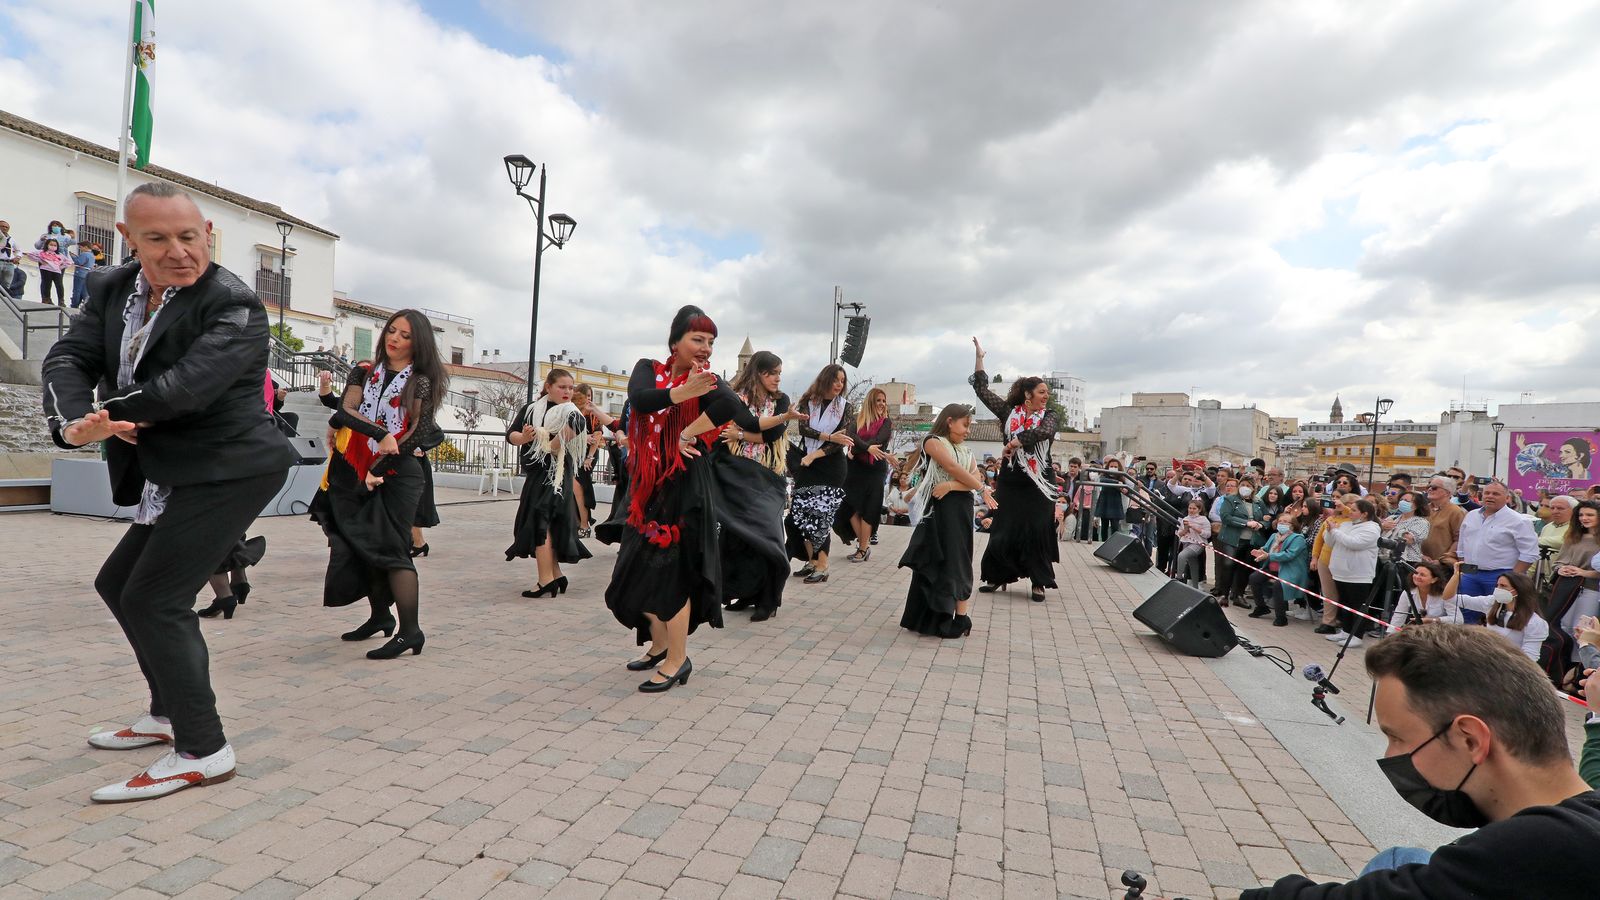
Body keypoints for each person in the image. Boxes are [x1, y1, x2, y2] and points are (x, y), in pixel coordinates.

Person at [40, 182, 294, 803]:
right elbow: (67, 359)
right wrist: (74, 422)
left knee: (156, 598)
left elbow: (185, 388)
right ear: (128, 238)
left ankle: (204, 750)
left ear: (206, 232)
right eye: (157, 238)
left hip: (230, 467)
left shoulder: (234, 303)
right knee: (117, 585)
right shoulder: (109, 287)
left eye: (189, 236)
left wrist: (108, 416)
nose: (179, 251)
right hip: (172, 467)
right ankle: (166, 713)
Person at [1244, 624, 1600, 899]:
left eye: (1397, 737)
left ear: (1470, 739)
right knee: (1401, 858)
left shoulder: (1535, 848)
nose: (1390, 756)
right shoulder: (1578, 821)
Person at [598, 305, 764, 692]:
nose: (706, 348)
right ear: (675, 341)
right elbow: (640, 400)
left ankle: (678, 659)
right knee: (633, 570)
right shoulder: (648, 368)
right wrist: (680, 393)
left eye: (711, 342)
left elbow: (734, 408)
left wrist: (688, 432)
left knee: (671, 571)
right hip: (647, 486)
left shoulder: (708, 381)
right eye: (697, 339)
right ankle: (659, 645)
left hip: (684, 486)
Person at [312, 308, 447, 661]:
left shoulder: (420, 381)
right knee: (357, 543)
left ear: (417, 343)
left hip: (399, 473)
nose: (395, 338)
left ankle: (410, 631)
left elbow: (418, 431)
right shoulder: (363, 371)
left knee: (392, 550)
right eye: (392, 331)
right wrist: (378, 435)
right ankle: (380, 616)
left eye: (405, 335)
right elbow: (346, 411)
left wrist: (380, 465)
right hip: (356, 468)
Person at [718, 349, 807, 621]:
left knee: (767, 536)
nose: (777, 378)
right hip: (738, 475)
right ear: (757, 373)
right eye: (772, 373)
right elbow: (747, 422)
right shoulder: (738, 397)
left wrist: (741, 434)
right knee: (738, 538)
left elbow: (772, 434)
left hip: (768, 476)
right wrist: (746, 431)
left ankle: (768, 600)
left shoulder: (783, 401)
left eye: (779, 373)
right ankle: (745, 593)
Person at [969, 339, 1060, 602]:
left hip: (1039, 481)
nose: (1046, 396)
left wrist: (1014, 442)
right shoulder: (1009, 413)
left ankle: (1038, 581)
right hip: (1012, 480)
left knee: (1037, 529)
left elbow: (1044, 432)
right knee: (1004, 527)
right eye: (1042, 392)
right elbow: (982, 390)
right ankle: (998, 575)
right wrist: (980, 358)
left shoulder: (1049, 416)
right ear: (1028, 394)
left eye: (1047, 392)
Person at [899, 403, 995, 638]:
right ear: (950, 421)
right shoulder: (933, 441)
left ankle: (961, 617)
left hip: (958, 509)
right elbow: (952, 467)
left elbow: (973, 477)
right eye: (965, 425)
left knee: (958, 559)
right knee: (932, 558)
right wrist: (980, 488)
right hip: (938, 510)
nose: (968, 431)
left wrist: (951, 485)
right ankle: (925, 617)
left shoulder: (967, 451)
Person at [504, 368, 591, 597]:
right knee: (546, 524)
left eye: (570, 387)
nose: (567, 391)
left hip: (555, 475)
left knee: (540, 522)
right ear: (548, 387)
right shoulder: (532, 409)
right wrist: (524, 437)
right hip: (537, 473)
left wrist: (545, 441)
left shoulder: (572, 413)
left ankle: (545, 580)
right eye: (562, 387)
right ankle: (555, 575)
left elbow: (563, 439)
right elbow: (511, 435)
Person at [787, 364, 853, 584]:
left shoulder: (845, 407)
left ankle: (822, 565)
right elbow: (803, 429)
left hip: (830, 465)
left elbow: (841, 441)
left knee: (820, 514)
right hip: (808, 463)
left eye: (842, 381)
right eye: (835, 380)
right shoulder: (809, 401)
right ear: (825, 379)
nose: (839, 384)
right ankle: (812, 560)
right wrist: (829, 436)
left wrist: (816, 454)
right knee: (802, 512)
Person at [1456, 480, 1539, 623]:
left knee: (1500, 617)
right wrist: (1463, 569)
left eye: (1496, 494)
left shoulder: (1519, 520)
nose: (1490, 496)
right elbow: (1462, 544)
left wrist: (1512, 578)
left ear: (1507, 498)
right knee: (1465, 614)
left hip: (1501, 575)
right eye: (1487, 493)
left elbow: (1529, 553)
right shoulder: (1471, 515)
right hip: (1470, 574)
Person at [836, 386, 895, 562]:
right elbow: (851, 436)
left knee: (869, 508)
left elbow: (879, 441)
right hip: (854, 468)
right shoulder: (857, 419)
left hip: (875, 469)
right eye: (878, 400)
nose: (882, 404)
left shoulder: (886, 423)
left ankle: (862, 548)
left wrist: (858, 448)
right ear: (870, 402)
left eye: (884, 401)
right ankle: (864, 546)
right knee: (848, 505)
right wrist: (867, 448)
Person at [1439, 567, 1548, 661]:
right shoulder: (1491, 602)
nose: (1498, 589)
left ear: (1518, 590)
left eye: (1503, 586)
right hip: (1486, 658)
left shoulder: (1535, 622)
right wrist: (1456, 575)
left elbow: (1530, 658)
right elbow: (1449, 598)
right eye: (1497, 585)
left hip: (1510, 665)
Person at [1322, 497, 1382, 647]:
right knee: (1344, 603)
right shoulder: (1346, 524)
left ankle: (1357, 635)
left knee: (1357, 606)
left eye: (1354, 510)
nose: (1350, 512)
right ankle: (1346, 631)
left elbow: (1354, 543)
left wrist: (1335, 531)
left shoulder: (1372, 528)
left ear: (1364, 514)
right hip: (1340, 572)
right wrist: (1329, 531)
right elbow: (1330, 542)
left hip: (1358, 574)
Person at [1250, 513, 1308, 626]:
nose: (1281, 523)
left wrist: (1268, 555)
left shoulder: (1298, 538)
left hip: (1290, 571)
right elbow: (1266, 548)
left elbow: (1289, 555)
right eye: (1280, 521)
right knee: (1254, 578)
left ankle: (1281, 618)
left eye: (1285, 522)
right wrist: (1260, 551)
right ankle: (1261, 607)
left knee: (1278, 585)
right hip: (1273, 569)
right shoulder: (1274, 536)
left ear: (1292, 525)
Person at [1420, 474, 1465, 564]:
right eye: (1429, 487)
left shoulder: (1455, 512)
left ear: (1447, 493)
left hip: (1441, 565)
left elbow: (1459, 540)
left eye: (1434, 487)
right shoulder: (1424, 509)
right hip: (1420, 561)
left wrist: (1443, 560)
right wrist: (1420, 555)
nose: (1429, 489)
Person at [1175, 498, 1212, 587]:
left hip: (1198, 544)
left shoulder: (1203, 519)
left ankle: (1179, 577)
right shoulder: (1185, 519)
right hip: (1186, 543)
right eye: (1190, 508)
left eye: (1194, 508)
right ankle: (1195, 586)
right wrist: (1185, 529)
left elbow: (1208, 534)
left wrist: (1195, 528)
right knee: (1193, 563)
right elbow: (1179, 533)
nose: (1191, 510)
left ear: (1199, 510)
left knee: (1182, 555)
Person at [24, 238, 71, 305]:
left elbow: (68, 262)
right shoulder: (41, 252)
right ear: (47, 245)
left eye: (55, 245)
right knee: (47, 284)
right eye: (51, 245)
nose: (53, 246)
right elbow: (30, 254)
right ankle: (47, 299)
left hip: (56, 271)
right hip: (46, 269)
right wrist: (40, 260)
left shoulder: (59, 255)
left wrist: (60, 267)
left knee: (59, 285)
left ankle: (61, 301)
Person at [1092, 457, 1127, 543]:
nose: (1113, 468)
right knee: (1104, 526)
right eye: (1111, 466)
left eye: (1115, 466)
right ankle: (1103, 543)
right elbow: (1102, 480)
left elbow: (1126, 488)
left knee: (1115, 527)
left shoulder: (1121, 477)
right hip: (1105, 503)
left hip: (1115, 504)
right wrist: (1117, 483)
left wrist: (1124, 489)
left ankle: (1114, 544)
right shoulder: (1104, 475)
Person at [70, 240, 96, 308]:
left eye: (81, 247)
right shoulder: (92, 255)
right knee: (84, 292)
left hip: (80, 273)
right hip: (87, 274)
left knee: (77, 290)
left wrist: (73, 257)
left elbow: (79, 262)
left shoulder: (84, 254)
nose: (80, 249)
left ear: (86, 247)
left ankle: (74, 305)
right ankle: (86, 305)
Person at [0, 220, 16, 291]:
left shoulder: (12, 239)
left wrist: (18, 257)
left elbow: (19, 250)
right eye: (3, 226)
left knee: (7, 284)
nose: (5, 228)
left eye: (6, 227)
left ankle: (4, 295)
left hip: (9, 263)